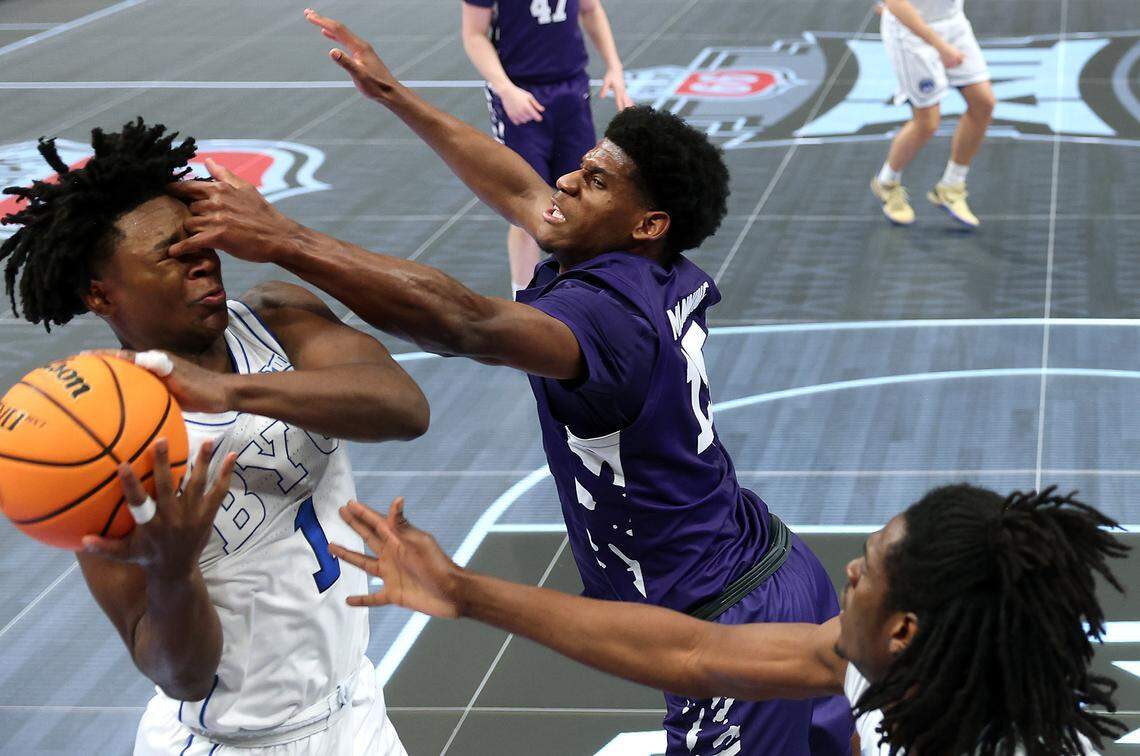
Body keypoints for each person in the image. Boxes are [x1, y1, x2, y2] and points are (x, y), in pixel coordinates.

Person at [165, 10, 855, 753]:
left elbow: (462, 323)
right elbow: (520, 189)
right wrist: (395, 93)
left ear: (647, 223)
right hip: (777, 568)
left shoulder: (610, 319)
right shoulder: (645, 264)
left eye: (593, 180)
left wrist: (285, 240)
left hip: (724, 623)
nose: (564, 180)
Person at [0, 119, 429, 754]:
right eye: (169, 253)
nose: (201, 258)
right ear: (101, 293)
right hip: (233, 742)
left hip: (357, 710)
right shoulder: (95, 442)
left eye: (198, 238)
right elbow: (182, 675)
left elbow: (405, 408)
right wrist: (172, 573)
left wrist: (230, 391)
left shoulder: (276, 320)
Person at [329, 484, 1129, 756]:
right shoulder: (890, 662)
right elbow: (697, 652)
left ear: (904, 630)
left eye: (870, 570)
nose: (849, 569)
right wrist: (465, 593)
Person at [461, 0, 633, 295]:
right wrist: (505, 88)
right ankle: (523, 299)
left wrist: (614, 67)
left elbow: (591, 9)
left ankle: (580, 295)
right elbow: (474, 34)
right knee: (528, 208)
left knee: (582, 200)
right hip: (520, 95)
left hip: (570, 90)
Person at [869, 0, 996, 227]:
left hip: (953, 23)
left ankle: (951, 186)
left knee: (983, 103)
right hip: (910, 32)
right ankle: (887, 183)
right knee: (926, 122)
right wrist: (941, 46)